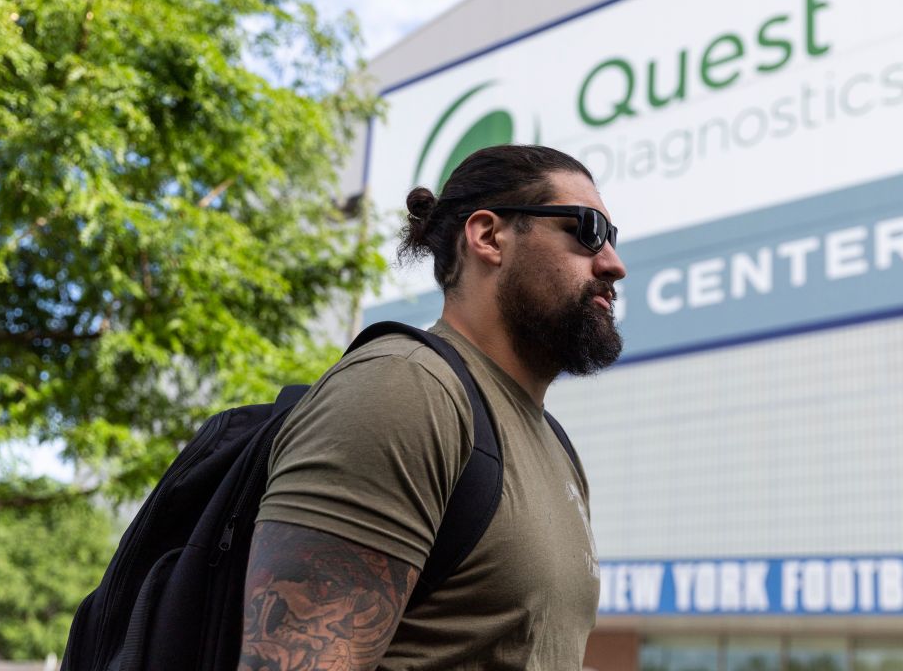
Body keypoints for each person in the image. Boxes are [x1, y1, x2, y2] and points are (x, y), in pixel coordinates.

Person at [237, 144, 627, 670]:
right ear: (489, 236)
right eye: (588, 231)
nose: (613, 264)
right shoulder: (406, 389)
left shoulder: (555, 445)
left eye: (613, 239)